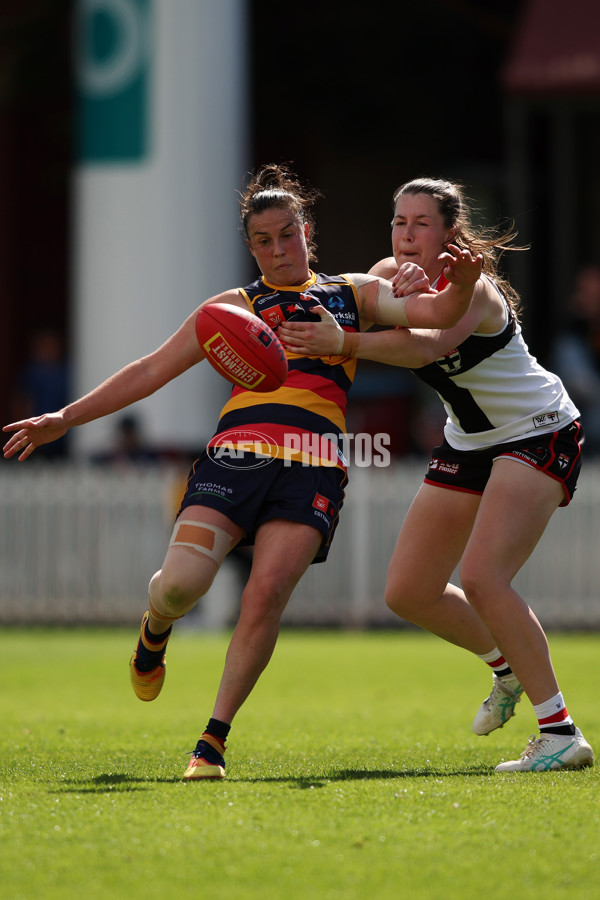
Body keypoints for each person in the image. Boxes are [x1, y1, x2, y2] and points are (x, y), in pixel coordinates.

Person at [2, 164, 482, 781]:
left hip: (313, 465)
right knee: (181, 585)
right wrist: (66, 417)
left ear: (307, 230)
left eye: (289, 234)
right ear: (251, 247)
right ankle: (155, 630)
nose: (279, 249)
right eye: (264, 240)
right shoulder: (232, 309)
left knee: (266, 594)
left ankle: (212, 741)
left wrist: (462, 285)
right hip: (236, 454)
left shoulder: (353, 293)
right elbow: (151, 369)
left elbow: (439, 315)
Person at [278, 176, 594, 773]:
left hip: (539, 429)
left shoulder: (474, 290)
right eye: (399, 222)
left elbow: (422, 347)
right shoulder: (386, 271)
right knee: (409, 591)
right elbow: (356, 304)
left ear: (450, 231)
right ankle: (508, 669)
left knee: (482, 577)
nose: (406, 234)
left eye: (422, 223)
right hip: (469, 441)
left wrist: (340, 341)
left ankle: (561, 733)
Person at [550, 263, 600, 455]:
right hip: (581, 421)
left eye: (592, 295)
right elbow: (580, 386)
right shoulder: (573, 333)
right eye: (582, 292)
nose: (582, 299)